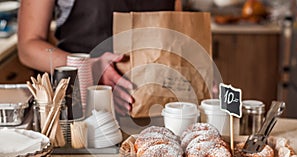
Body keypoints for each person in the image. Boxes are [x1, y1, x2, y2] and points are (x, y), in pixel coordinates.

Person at [17, 0, 182, 115]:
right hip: (78, 109)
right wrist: (89, 68)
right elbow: (28, 47)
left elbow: (174, 31)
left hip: (156, 106)